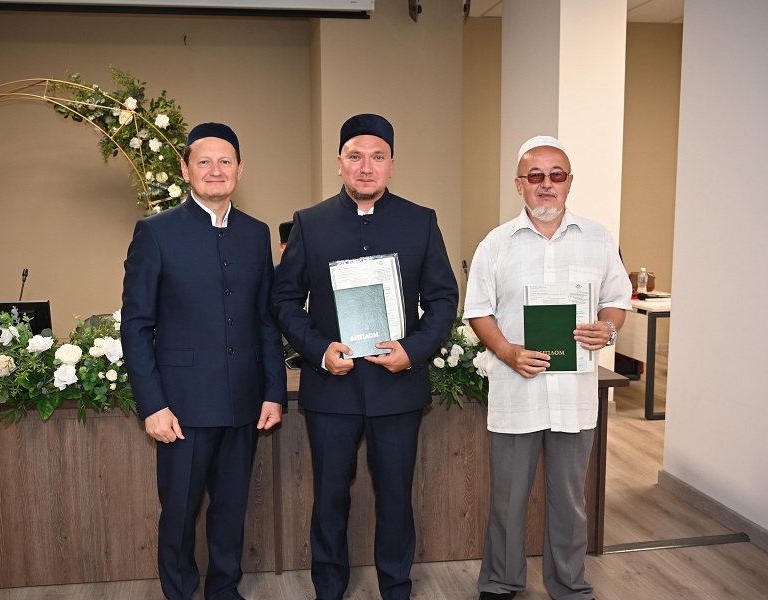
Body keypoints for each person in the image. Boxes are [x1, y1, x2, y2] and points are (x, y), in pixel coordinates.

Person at [271, 113, 458, 600]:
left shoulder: (421, 221)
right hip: (332, 387)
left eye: (378, 157)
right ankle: (328, 588)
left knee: (396, 499)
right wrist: (318, 350)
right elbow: (284, 300)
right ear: (340, 163)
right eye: (356, 156)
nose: (366, 167)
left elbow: (443, 300)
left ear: (392, 165)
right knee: (329, 498)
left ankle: (396, 587)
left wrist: (412, 351)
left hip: (397, 388)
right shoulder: (310, 223)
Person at [120, 122, 287, 600]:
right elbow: (136, 325)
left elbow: (264, 319)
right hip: (181, 407)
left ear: (240, 169)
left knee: (231, 512)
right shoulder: (155, 232)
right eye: (204, 161)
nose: (216, 170)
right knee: (179, 514)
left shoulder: (256, 233)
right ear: (185, 168)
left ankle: (224, 591)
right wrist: (153, 404)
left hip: (243, 403)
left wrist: (273, 390)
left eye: (225, 161)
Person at [463, 135, 632, 600]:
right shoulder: (496, 244)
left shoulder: (598, 238)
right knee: (508, 499)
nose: (546, 184)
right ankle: (501, 581)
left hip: (574, 395)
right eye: (535, 175)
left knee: (571, 502)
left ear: (569, 182)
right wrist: (507, 351)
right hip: (517, 390)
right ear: (519, 184)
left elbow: (618, 299)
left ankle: (570, 584)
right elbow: (478, 311)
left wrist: (607, 327)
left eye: (556, 175)